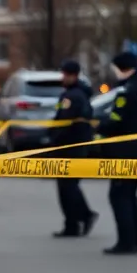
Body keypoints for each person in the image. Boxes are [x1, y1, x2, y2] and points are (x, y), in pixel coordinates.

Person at [96, 51, 137, 255]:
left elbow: (116, 122)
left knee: (119, 196)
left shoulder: (126, 92)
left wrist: (98, 126)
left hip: (124, 152)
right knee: (129, 195)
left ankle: (127, 241)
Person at [50, 59, 99, 238]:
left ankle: (82, 218)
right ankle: (74, 222)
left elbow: (65, 121)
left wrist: (54, 137)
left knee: (68, 186)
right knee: (68, 186)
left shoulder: (73, 96)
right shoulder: (73, 94)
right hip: (73, 144)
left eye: (65, 75)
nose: (63, 78)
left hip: (70, 145)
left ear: (73, 76)